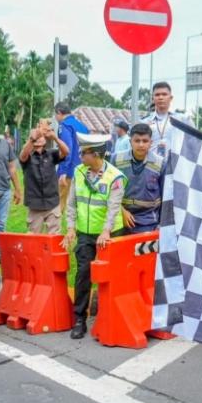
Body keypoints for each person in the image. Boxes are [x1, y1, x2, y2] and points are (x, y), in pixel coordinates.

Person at [61, 134, 127, 340]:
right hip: (86, 235)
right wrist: (71, 228)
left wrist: (106, 231)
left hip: (111, 234)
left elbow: (113, 208)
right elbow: (72, 203)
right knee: (83, 274)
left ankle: (110, 315)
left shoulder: (115, 177)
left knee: (111, 276)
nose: (80, 156)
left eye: (84, 153)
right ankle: (80, 318)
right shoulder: (79, 172)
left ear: (96, 154)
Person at [111, 123, 164, 234]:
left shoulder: (161, 163)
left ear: (151, 143)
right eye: (137, 140)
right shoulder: (116, 159)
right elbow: (108, 190)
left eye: (145, 141)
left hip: (148, 222)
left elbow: (165, 197)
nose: (141, 145)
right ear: (130, 142)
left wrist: (161, 225)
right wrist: (121, 211)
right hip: (119, 218)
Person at [19, 120, 69, 234]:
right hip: (35, 205)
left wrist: (55, 138)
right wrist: (32, 138)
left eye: (42, 135)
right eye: (38, 134)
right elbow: (23, 155)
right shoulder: (28, 156)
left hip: (52, 203)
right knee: (34, 240)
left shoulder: (51, 154)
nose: (40, 135)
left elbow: (66, 152)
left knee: (54, 238)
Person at [142, 81, 193, 157]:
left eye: (164, 94)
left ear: (171, 98)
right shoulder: (144, 122)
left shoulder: (183, 119)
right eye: (157, 95)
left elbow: (193, 142)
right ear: (153, 98)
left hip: (175, 165)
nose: (161, 97)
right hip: (152, 165)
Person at [55, 102, 86, 212]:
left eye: (55, 115)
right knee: (80, 205)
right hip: (83, 170)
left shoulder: (64, 125)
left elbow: (67, 149)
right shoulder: (82, 126)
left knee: (58, 204)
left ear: (59, 113)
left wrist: (63, 171)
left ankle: (54, 229)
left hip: (69, 171)